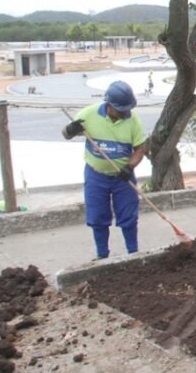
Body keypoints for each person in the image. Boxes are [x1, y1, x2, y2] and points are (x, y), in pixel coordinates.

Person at [62, 80, 147, 260]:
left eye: (127, 109)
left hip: (123, 176)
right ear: (109, 104)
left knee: (128, 215)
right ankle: (102, 255)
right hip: (96, 175)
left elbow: (140, 149)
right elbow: (66, 134)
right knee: (98, 216)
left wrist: (129, 166)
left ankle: (133, 253)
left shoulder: (133, 120)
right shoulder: (88, 114)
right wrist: (71, 130)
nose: (125, 113)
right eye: (121, 109)